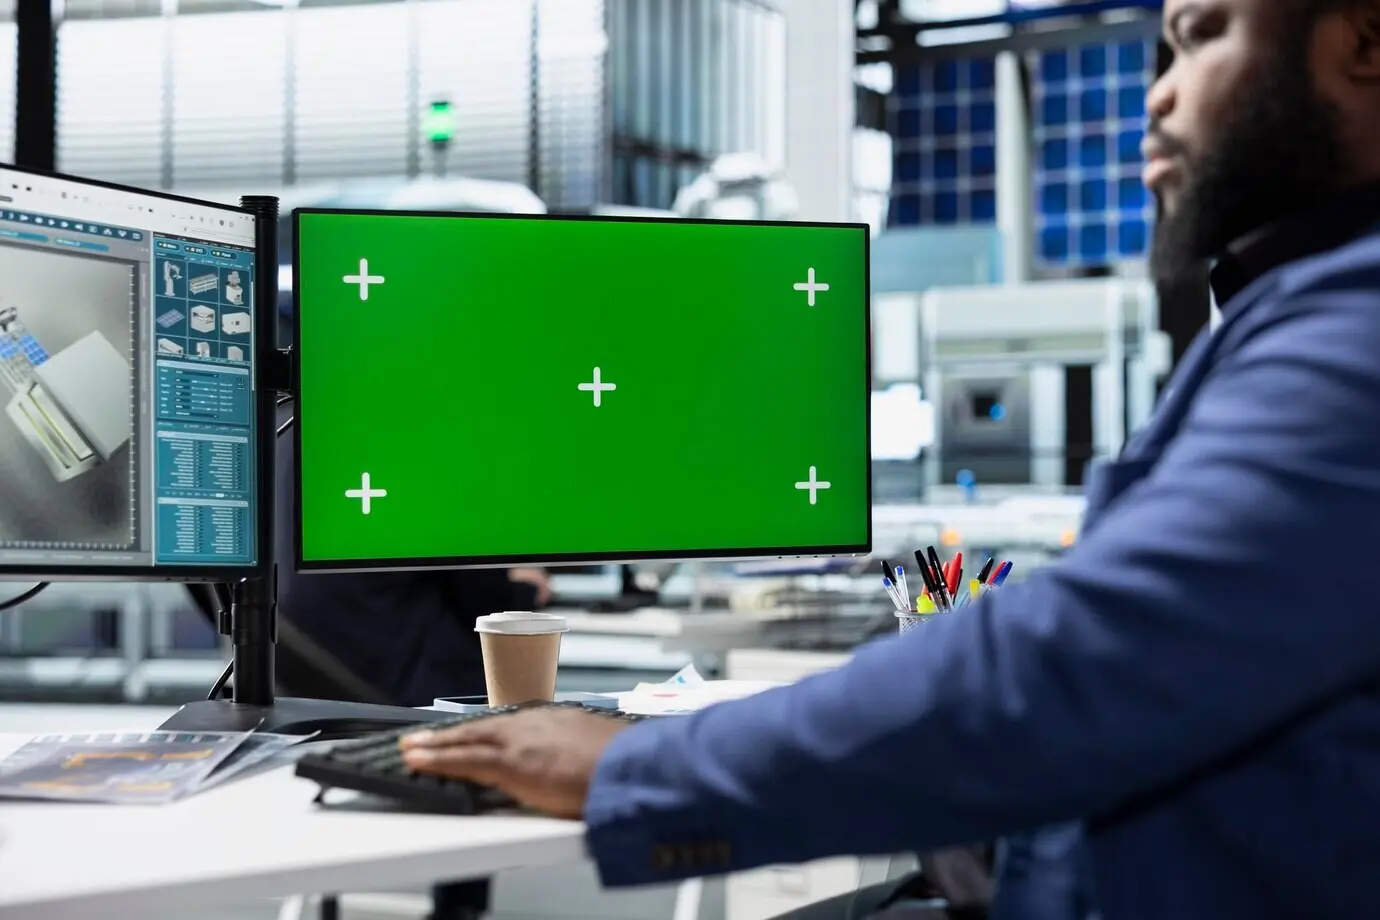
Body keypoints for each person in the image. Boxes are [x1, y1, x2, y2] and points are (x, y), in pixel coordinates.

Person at [397, 0, 1380, 916]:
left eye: (1203, 34)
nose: (1160, 90)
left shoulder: (1353, 335)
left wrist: (636, 766)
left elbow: (1084, 660)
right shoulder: (1293, 312)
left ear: (1365, 44)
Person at [273, 406, 549, 920]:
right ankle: (461, 903)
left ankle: (334, 892)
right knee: (488, 668)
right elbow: (479, 592)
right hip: (393, 675)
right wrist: (524, 586)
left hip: (303, 665)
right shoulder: (424, 442)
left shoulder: (294, 428)